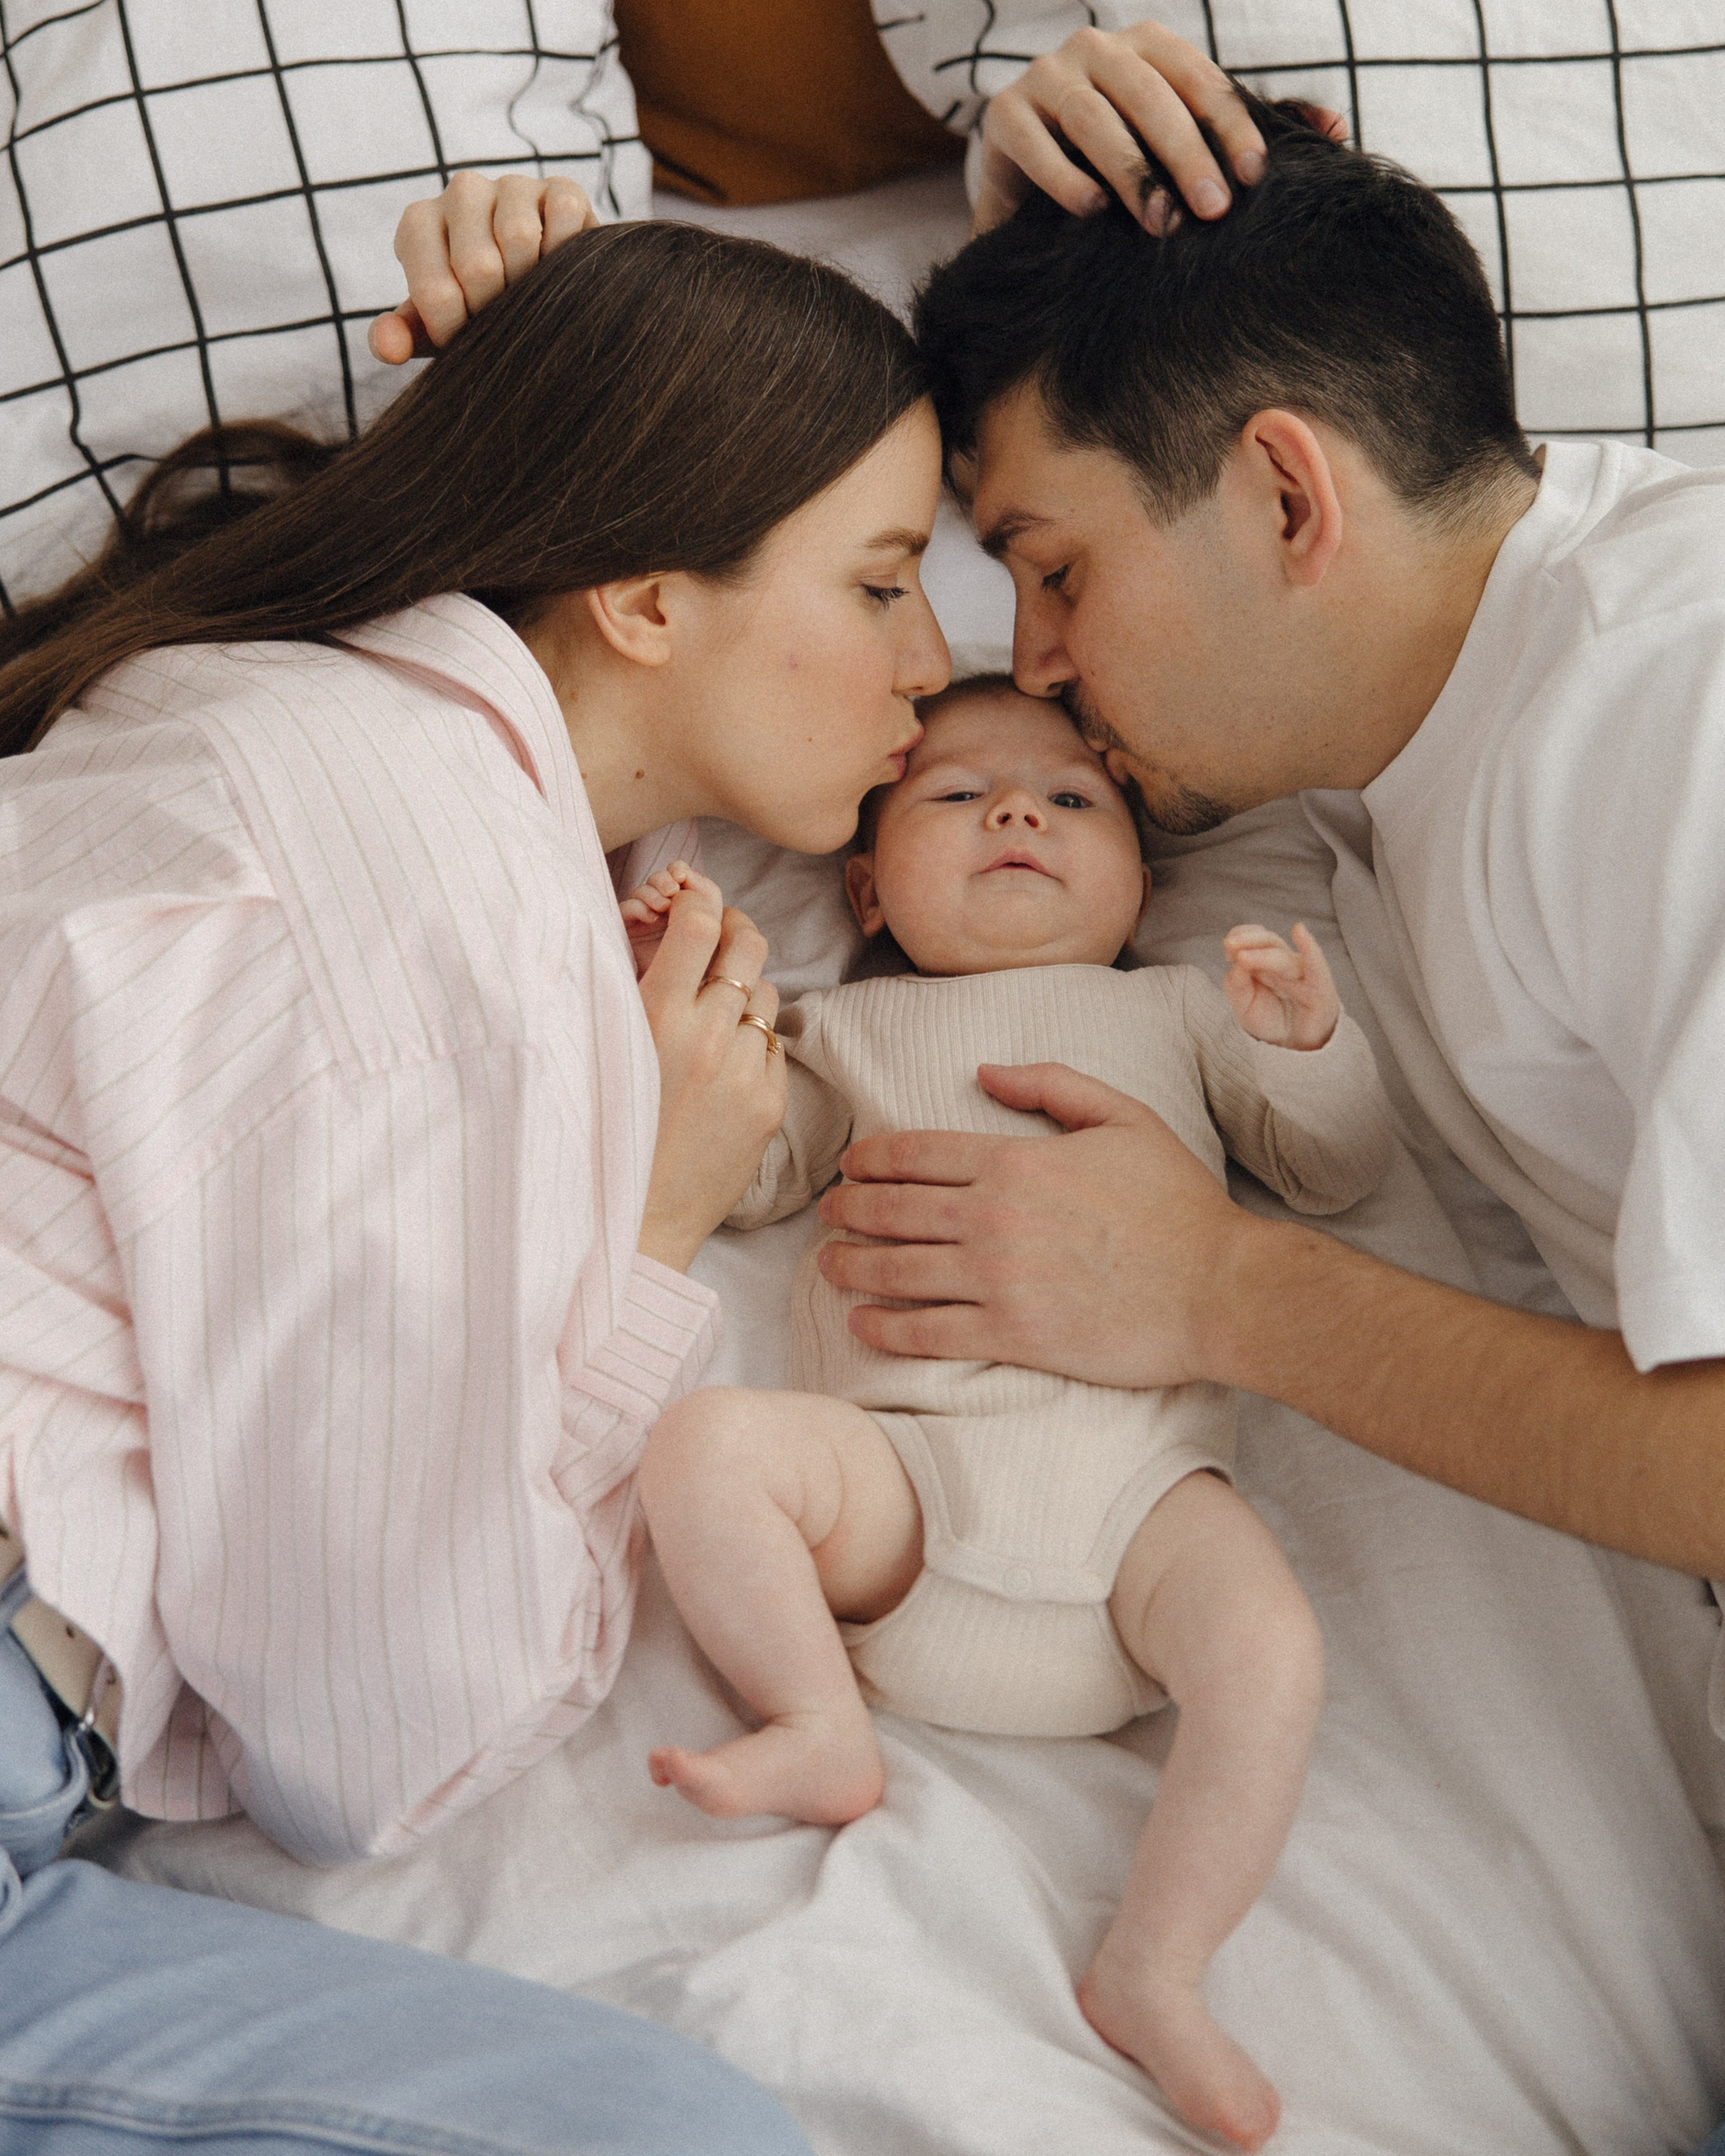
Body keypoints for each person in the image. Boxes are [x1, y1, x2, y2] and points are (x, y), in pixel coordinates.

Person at [0, 218, 950, 2154]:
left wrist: (591, 341)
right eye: (881, 584)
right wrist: (650, 1237)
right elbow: (372, 1741)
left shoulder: (260, 706)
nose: (935, 665)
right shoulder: (450, 924)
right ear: (645, 595)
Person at [624, 676, 1390, 2151]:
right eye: (960, 796)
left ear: (1140, 880)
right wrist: (709, 1013)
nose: (1021, 812)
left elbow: (1335, 1169)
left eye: (1072, 800)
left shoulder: (1178, 1009)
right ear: (866, 887)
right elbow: (751, 1177)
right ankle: (816, 1718)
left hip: (1139, 1510)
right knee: (706, 1445)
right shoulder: (845, 1027)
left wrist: (1302, 1045)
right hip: (906, 1486)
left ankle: (1156, 1967)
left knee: (1271, 1649)